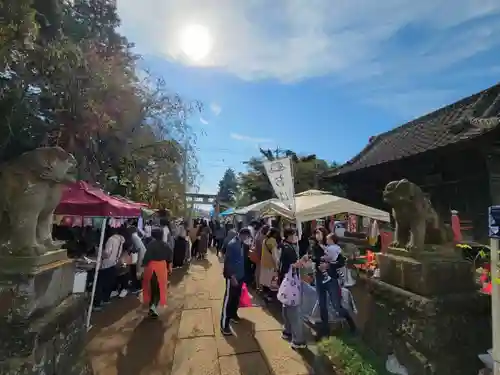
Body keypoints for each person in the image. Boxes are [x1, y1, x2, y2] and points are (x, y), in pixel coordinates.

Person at [311, 227, 356, 336]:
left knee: (336, 305)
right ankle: (325, 330)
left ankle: (351, 323)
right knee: (322, 305)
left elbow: (341, 261)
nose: (317, 235)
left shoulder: (333, 247)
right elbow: (314, 258)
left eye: (319, 233)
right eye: (315, 233)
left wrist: (329, 265)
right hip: (320, 278)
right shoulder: (315, 247)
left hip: (332, 279)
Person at [220, 228, 252, 335]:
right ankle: (224, 324)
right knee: (228, 299)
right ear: (243, 235)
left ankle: (233, 314)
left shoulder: (242, 244)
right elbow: (228, 262)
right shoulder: (233, 244)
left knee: (235, 298)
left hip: (240, 276)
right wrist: (232, 276)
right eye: (247, 237)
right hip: (233, 277)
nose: (247, 239)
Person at [278, 228, 307, 349]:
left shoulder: (283, 246)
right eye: (295, 234)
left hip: (285, 280)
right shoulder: (288, 248)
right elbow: (292, 265)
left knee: (286, 307)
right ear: (290, 236)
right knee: (294, 311)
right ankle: (299, 340)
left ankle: (287, 331)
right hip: (291, 282)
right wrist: (303, 261)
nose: (296, 236)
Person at [138, 228, 173, 317]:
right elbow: (169, 258)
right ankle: (153, 307)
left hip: (151, 268)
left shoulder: (150, 245)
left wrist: (142, 269)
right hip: (162, 268)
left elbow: (146, 258)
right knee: (159, 288)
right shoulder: (166, 245)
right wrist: (170, 268)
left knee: (152, 288)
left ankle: (152, 306)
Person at [93, 227, 125, 311]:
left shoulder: (111, 239)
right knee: (109, 283)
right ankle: (105, 299)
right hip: (114, 263)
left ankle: (97, 304)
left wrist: (97, 250)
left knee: (100, 284)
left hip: (106, 264)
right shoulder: (121, 239)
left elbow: (106, 254)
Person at [259, 227, 280, 301]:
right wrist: (277, 265)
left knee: (265, 281)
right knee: (272, 281)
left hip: (264, 263)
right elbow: (274, 255)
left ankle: (265, 295)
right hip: (271, 264)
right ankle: (270, 297)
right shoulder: (272, 241)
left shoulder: (265, 240)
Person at [129, 226, 147, 294]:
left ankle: (137, 287)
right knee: (138, 270)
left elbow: (136, 248)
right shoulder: (135, 235)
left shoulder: (132, 236)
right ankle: (138, 285)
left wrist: (130, 250)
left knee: (136, 270)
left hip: (140, 254)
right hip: (142, 253)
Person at [253, 224, 269, 291]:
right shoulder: (263, 238)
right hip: (261, 256)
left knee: (257, 271)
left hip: (257, 255)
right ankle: (260, 287)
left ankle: (258, 286)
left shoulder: (258, 235)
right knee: (260, 273)